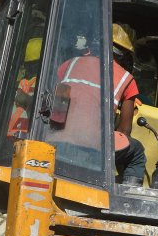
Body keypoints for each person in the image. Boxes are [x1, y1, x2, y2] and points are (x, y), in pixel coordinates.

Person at [54, 24, 146, 186]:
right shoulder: (127, 79)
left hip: (54, 140)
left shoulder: (69, 64)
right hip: (92, 147)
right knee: (137, 152)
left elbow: (55, 102)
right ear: (125, 53)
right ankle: (124, 195)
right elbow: (125, 131)